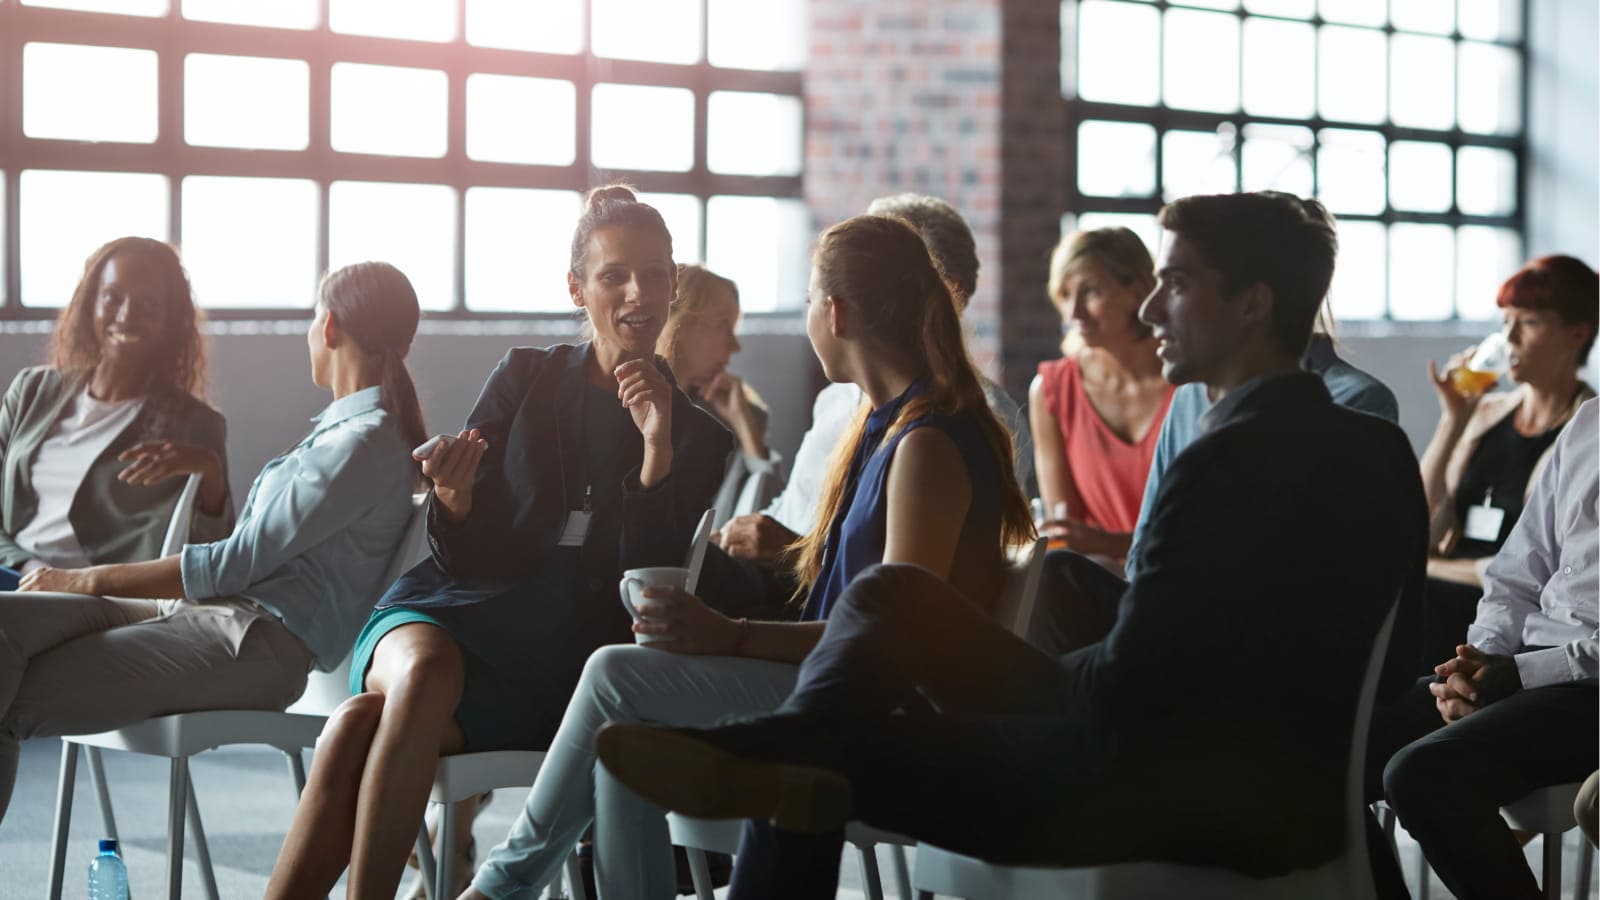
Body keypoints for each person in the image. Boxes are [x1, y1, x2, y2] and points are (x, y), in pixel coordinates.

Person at [593, 191, 1427, 899]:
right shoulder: (1378, 449)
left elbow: (1124, 695)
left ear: (1253, 302)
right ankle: (787, 744)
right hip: (1263, 778)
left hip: (1166, 792)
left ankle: (785, 745)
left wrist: (979, 679)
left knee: (829, 761)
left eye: (1175, 283)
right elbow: (1390, 667)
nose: (1148, 310)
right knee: (893, 599)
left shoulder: (1219, 461)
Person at [458, 213, 1032, 900]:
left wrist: (729, 636)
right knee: (627, 725)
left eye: (811, 304)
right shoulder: (883, 428)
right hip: (837, 684)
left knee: (615, 675)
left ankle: (500, 887)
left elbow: (894, 641)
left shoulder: (927, 443)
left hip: (879, 709)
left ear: (837, 312)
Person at [264, 187, 734, 900]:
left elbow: (644, 587)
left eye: (656, 273)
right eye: (614, 276)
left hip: (558, 671)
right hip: (452, 614)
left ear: (673, 281)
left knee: (362, 723)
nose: (639, 292)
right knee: (417, 679)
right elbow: (465, 557)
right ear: (577, 288)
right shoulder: (525, 376)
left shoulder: (700, 437)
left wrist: (657, 447)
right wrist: (454, 499)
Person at [0, 260, 424, 817]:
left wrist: (83, 578)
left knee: (14, 696)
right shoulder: (340, 434)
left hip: (249, 643)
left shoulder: (362, 445)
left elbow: (233, 565)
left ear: (329, 327)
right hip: (196, 615)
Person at [715, 192, 1031, 569]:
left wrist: (792, 557)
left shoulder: (954, 425)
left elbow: (904, 591)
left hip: (809, 597)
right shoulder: (841, 403)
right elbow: (793, 513)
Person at [1380, 397, 1597, 900]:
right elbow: (1515, 572)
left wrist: (1524, 673)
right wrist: (1475, 665)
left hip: (1589, 688)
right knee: (1338, 737)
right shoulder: (1591, 421)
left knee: (1422, 776)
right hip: (1523, 666)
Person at [0, 236, 232, 592]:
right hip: (14, 576)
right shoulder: (32, 392)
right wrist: (33, 571)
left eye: (148, 304)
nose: (126, 315)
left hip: (95, 600)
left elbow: (209, 561)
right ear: (90, 302)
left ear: (170, 321)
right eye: (112, 297)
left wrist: (211, 474)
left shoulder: (194, 425)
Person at [1415, 256, 1596, 670]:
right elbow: (1419, 531)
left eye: (1528, 322)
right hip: (1462, 597)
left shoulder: (1586, 431)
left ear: (1577, 334)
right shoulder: (1484, 412)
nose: (1509, 337)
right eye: (1505, 321)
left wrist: (1433, 566)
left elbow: (1538, 569)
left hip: (1499, 607)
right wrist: (1452, 421)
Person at [1030, 227, 1172, 562]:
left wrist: (1111, 543)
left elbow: (1206, 532)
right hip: (1097, 591)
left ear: (1138, 291)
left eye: (1090, 291)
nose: (1073, 312)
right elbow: (1066, 537)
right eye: (1064, 294)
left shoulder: (1192, 384)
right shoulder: (1053, 391)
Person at [658, 263, 784, 527]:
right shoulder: (621, 406)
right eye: (723, 325)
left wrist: (747, 432)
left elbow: (764, 529)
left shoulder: (737, 414)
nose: (735, 346)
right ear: (679, 325)